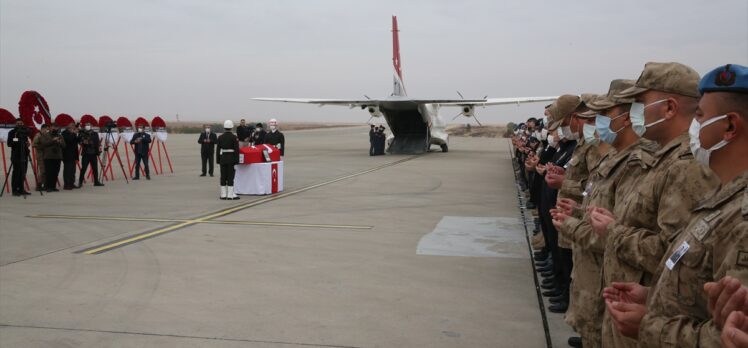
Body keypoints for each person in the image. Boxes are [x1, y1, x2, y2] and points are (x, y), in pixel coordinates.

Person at [602, 64, 748, 347]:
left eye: (700, 116)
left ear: (730, 126)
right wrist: (655, 294)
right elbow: (700, 281)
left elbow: (729, 335)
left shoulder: (740, 217)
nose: (694, 125)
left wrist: (650, 326)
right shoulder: (724, 198)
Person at [7, 118, 31, 196]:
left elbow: (26, 141)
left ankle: (21, 189)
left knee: (23, 173)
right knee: (16, 173)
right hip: (16, 155)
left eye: (21, 123)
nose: (20, 125)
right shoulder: (12, 132)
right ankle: (15, 190)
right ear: (15, 124)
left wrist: (27, 144)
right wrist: (16, 138)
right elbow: (9, 144)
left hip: (24, 154)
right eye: (18, 123)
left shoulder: (24, 132)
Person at [217, 120, 240, 200]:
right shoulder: (234, 137)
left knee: (223, 176)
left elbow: (218, 150)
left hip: (223, 159)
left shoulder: (220, 137)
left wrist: (218, 160)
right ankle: (230, 195)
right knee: (230, 177)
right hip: (231, 159)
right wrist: (237, 161)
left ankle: (223, 195)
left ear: (224, 127)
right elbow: (237, 150)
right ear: (231, 127)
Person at [39, 123, 65, 192]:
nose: (55, 129)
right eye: (53, 127)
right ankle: (48, 187)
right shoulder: (45, 135)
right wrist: (53, 140)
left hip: (57, 156)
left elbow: (64, 145)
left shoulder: (60, 135)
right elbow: (43, 144)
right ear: (50, 128)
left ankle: (53, 186)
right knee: (49, 172)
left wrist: (59, 142)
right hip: (48, 156)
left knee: (56, 172)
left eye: (56, 127)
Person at [78, 122, 104, 187]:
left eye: (89, 125)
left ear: (91, 126)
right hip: (86, 154)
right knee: (83, 168)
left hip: (94, 153)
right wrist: (83, 142)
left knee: (95, 168)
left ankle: (96, 182)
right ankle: (80, 182)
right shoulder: (82, 133)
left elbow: (98, 142)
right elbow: (79, 141)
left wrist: (99, 149)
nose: (88, 126)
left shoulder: (95, 133)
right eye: (86, 125)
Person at [61, 122, 79, 190]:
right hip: (67, 154)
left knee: (73, 170)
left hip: (73, 154)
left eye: (73, 126)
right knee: (67, 170)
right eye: (72, 126)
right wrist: (73, 133)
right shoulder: (64, 133)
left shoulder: (73, 133)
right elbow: (69, 140)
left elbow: (76, 141)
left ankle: (71, 183)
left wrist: (78, 134)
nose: (73, 127)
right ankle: (67, 184)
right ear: (68, 126)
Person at [32, 124, 48, 191]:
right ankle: (39, 185)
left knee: (45, 171)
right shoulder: (38, 135)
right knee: (42, 171)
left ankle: (44, 184)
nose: (46, 131)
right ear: (42, 129)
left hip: (46, 155)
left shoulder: (45, 135)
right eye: (46, 129)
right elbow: (34, 144)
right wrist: (42, 146)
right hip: (40, 155)